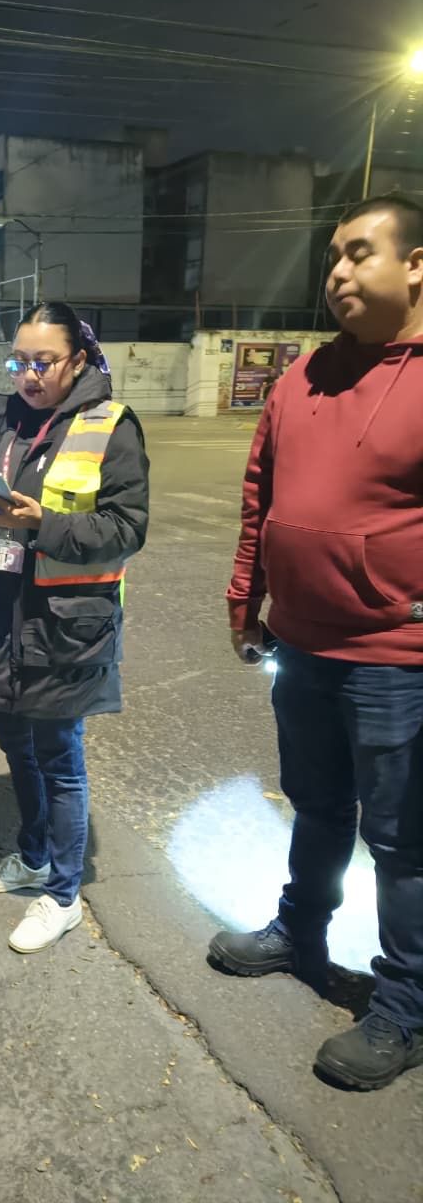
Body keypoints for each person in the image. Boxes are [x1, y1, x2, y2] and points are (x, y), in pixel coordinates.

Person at [214, 194, 423, 1091]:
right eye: (332, 256)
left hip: (396, 659)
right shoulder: (303, 375)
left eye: (360, 252)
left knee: (403, 841)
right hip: (300, 646)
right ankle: (300, 931)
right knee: (316, 804)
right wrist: (246, 595)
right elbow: (260, 494)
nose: (337, 271)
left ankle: (405, 1007)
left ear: (416, 265)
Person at [0, 303, 149, 953]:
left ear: (77, 361)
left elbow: (126, 528)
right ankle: (32, 856)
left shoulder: (110, 426)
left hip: (64, 626)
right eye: (19, 362)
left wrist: (40, 524)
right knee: (16, 748)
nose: (29, 375)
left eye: (44, 362)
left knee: (59, 759)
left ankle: (62, 895)